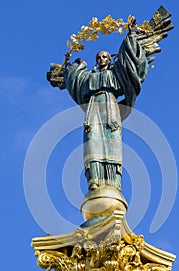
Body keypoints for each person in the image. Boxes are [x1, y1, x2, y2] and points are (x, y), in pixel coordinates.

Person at [49, 30, 149, 191]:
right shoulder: (90, 77)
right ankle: (94, 180)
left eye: (104, 57)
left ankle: (113, 182)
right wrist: (67, 66)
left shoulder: (116, 74)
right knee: (92, 142)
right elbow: (75, 79)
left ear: (110, 59)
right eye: (98, 57)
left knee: (112, 144)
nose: (101, 59)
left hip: (111, 107)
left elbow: (130, 63)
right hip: (94, 108)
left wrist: (130, 38)